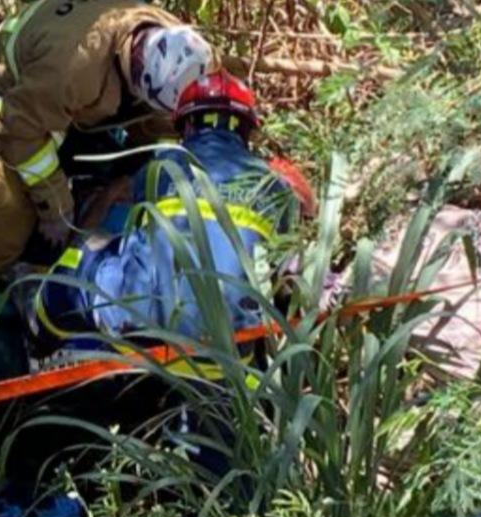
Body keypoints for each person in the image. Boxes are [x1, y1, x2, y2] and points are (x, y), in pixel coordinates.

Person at [0, 0, 213, 279]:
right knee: (9, 212)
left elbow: (164, 127)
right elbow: (20, 130)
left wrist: (146, 177)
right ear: (137, 72)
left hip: (65, 94)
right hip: (13, 101)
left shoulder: (186, 49)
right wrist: (56, 209)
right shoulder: (74, 66)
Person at [32, 71, 302, 347]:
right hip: (230, 350)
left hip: (144, 326)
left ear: (187, 125)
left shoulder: (166, 164)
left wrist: (83, 230)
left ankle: (38, 335)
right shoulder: (276, 186)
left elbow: (117, 195)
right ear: (247, 129)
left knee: (81, 261)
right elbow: (287, 274)